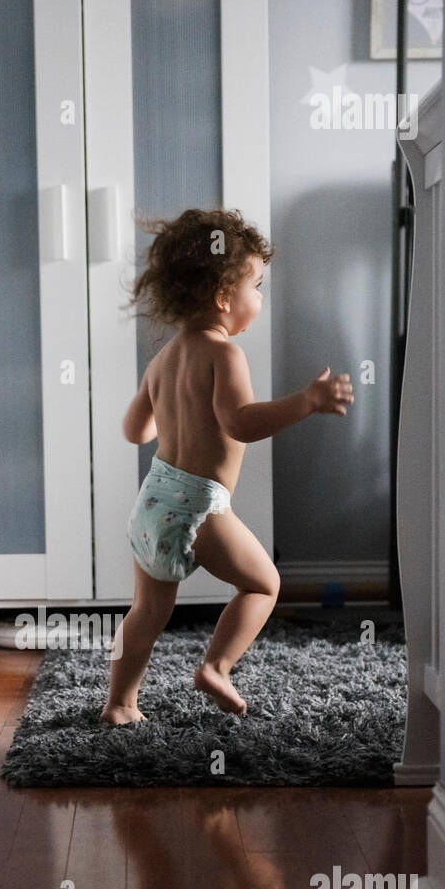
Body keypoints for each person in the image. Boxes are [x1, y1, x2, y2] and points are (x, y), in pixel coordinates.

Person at [101, 207, 353, 725]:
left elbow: (134, 431)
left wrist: (171, 417)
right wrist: (306, 401)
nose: (260, 298)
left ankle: (120, 703)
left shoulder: (163, 359)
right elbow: (239, 422)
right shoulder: (225, 355)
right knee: (263, 585)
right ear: (223, 297)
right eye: (256, 286)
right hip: (199, 506)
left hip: (153, 501)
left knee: (146, 614)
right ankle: (216, 666)